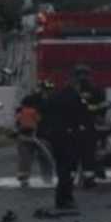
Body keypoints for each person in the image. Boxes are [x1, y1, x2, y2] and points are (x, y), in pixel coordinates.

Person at [44, 68, 91, 210]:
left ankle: (63, 198)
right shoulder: (75, 98)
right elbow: (81, 117)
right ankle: (64, 198)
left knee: (61, 168)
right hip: (69, 138)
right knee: (68, 169)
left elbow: (46, 114)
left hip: (55, 137)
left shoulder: (54, 96)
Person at [73, 65, 109, 188]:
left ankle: (87, 177)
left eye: (84, 75)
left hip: (83, 127)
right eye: (81, 75)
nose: (82, 78)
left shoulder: (75, 90)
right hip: (87, 126)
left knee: (86, 153)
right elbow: (102, 108)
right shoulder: (95, 89)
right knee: (89, 153)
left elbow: (102, 107)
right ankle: (89, 178)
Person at [14, 81, 55, 188]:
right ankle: (44, 178)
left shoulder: (29, 99)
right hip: (39, 133)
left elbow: (19, 114)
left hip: (32, 133)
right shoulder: (51, 100)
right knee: (33, 156)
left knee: (29, 157)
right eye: (47, 89)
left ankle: (27, 178)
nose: (48, 92)